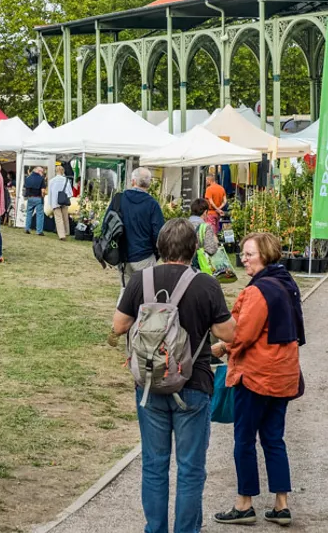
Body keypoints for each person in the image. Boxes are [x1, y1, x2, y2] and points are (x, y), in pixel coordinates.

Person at [112, 219, 236, 533]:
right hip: (194, 384)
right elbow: (228, 333)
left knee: (154, 466)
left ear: (160, 247)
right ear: (193, 249)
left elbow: (119, 326)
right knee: (190, 469)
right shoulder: (206, 283)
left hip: (150, 384)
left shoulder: (141, 280)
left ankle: (155, 529)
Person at [212, 232, 305, 527]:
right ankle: (281, 504)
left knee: (244, 439)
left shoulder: (257, 291)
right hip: (284, 373)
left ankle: (244, 503)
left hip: (257, 375)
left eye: (249, 254)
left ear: (264, 255)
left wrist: (223, 345)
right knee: (274, 439)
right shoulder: (288, 284)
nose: (244, 259)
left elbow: (243, 334)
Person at [111, 167, 166, 287]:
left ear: (132, 181)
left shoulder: (119, 199)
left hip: (123, 254)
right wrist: (156, 254)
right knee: (147, 295)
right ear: (149, 184)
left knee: (126, 292)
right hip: (144, 255)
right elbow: (159, 234)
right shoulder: (152, 205)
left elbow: (109, 225)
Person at [188, 198, 219, 274]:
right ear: (205, 212)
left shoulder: (182, 225)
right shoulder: (205, 227)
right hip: (199, 268)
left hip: (184, 267)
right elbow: (210, 250)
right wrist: (215, 241)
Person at [48, 165, 73, 241]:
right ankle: (66, 232)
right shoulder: (66, 180)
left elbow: (50, 193)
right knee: (65, 217)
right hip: (64, 201)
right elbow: (70, 193)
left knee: (58, 218)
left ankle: (62, 235)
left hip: (55, 201)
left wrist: (50, 203)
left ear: (56, 171)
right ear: (63, 171)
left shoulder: (51, 181)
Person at [23, 166, 46, 236]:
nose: (42, 173)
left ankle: (27, 228)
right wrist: (43, 195)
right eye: (41, 171)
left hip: (30, 198)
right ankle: (39, 231)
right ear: (38, 171)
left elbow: (25, 188)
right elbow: (43, 190)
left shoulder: (27, 178)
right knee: (39, 215)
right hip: (38, 198)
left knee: (29, 213)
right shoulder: (41, 179)